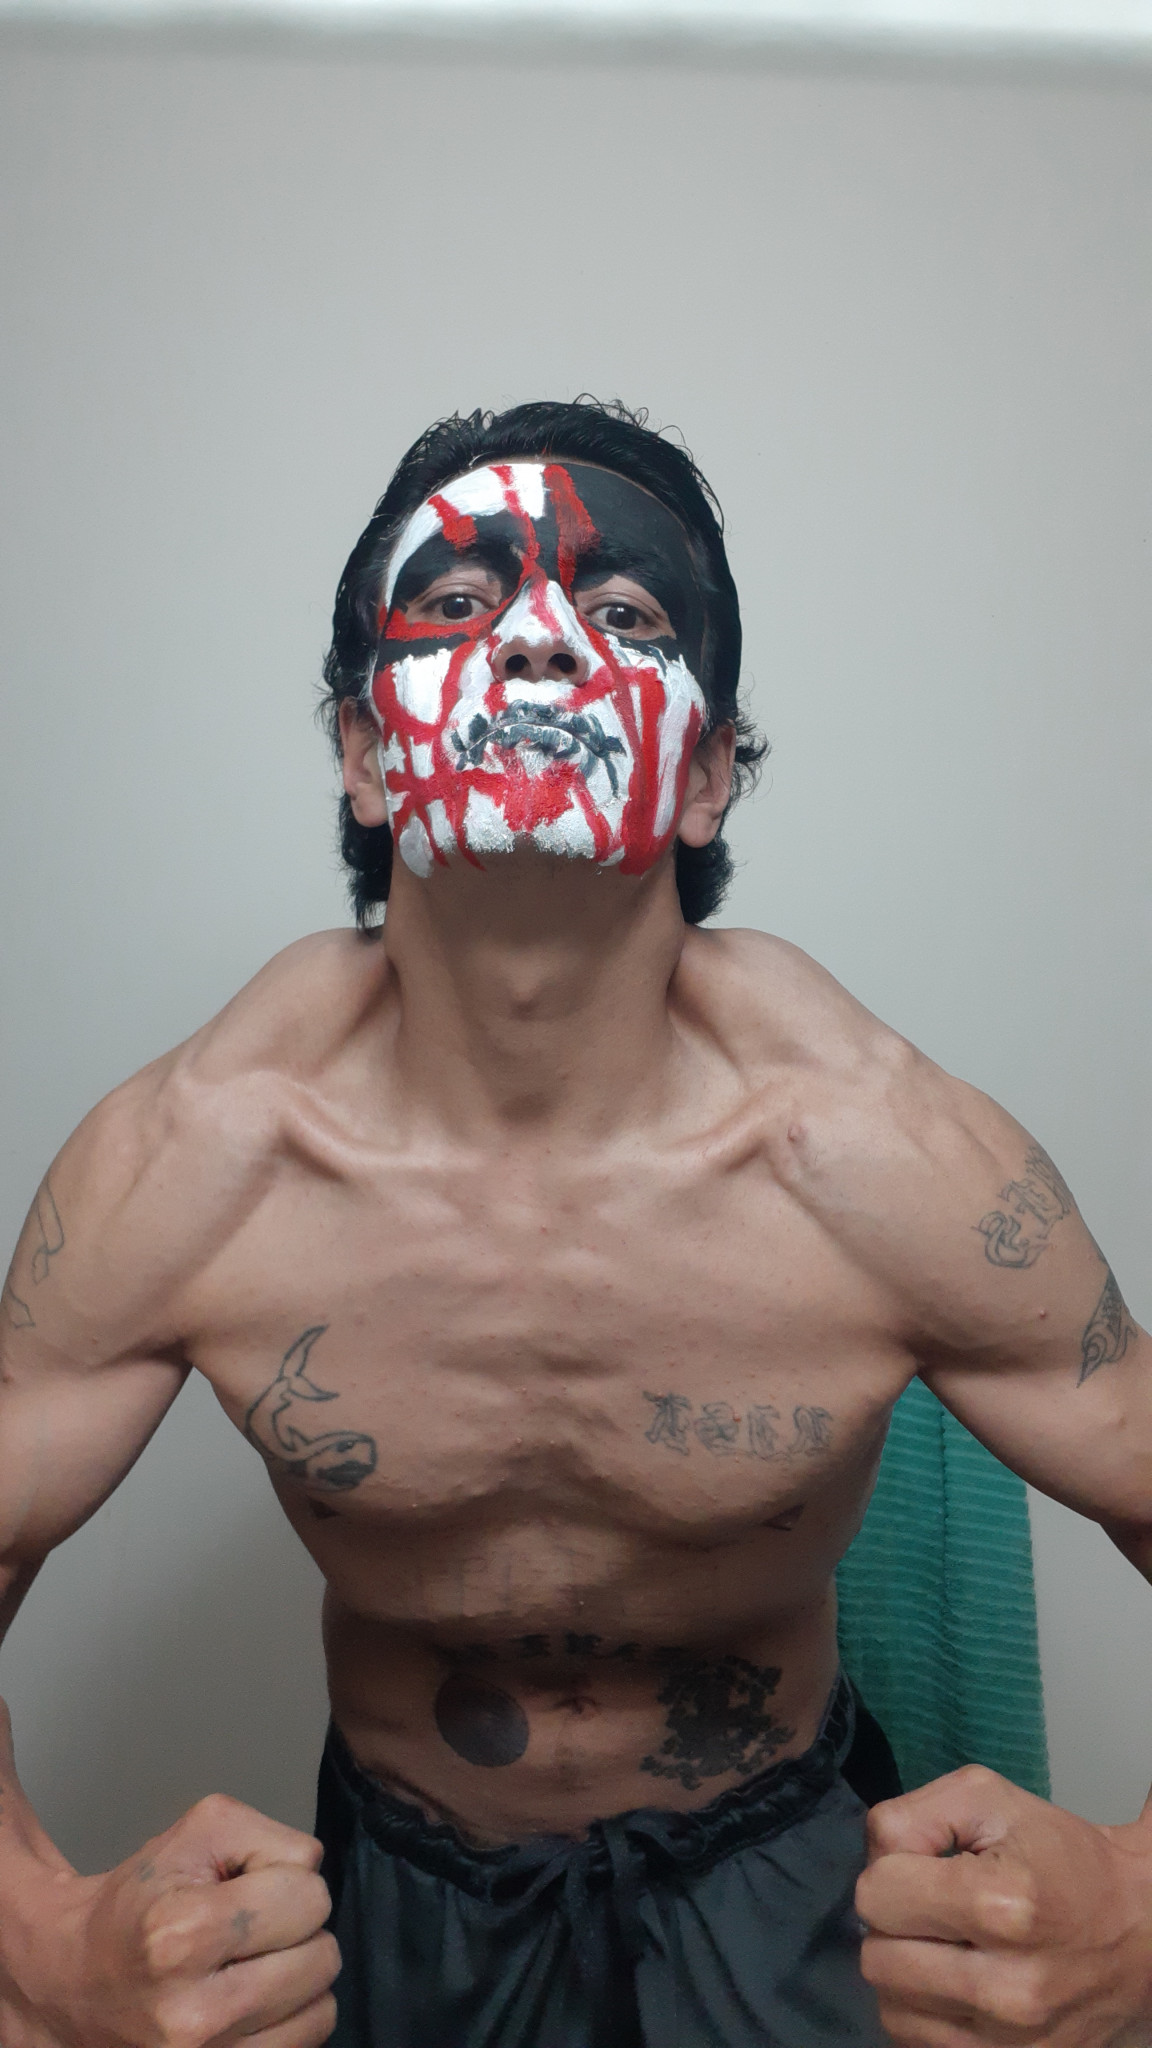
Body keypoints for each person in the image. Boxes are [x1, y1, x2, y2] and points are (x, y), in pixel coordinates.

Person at [0, 398, 1148, 2048]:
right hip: (403, 1904)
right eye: (459, 602)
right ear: (367, 753)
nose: (538, 642)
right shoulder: (199, 1161)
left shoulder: (878, 1154)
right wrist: (35, 1941)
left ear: (704, 774)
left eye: (621, 612)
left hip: (787, 1885)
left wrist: (1142, 1908)